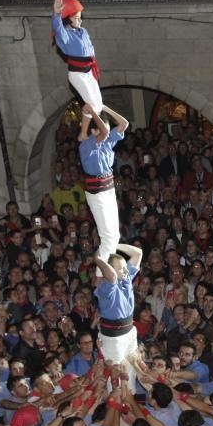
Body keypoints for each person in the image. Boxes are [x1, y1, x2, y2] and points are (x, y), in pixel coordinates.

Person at [79, 103, 129, 265]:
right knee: (107, 236)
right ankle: (101, 270)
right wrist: (93, 112)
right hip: (97, 193)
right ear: (94, 131)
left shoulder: (107, 143)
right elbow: (106, 132)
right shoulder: (86, 145)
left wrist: (104, 107)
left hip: (109, 189)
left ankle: (107, 266)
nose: (106, 135)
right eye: (101, 130)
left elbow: (124, 124)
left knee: (115, 234)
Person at [94, 244, 144, 386]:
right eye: (121, 267)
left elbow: (138, 253)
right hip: (114, 337)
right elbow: (112, 276)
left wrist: (113, 243)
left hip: (129, 331)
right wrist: (98, 260)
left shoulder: (126, 278)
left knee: (131, 374)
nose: (125, 270)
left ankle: (130, 403)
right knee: (116, 379)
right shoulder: (105, 287)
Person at [51, 0, 104, 112]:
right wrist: (56, 14)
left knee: (99, 104)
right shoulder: (65, 36)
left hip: (89, 71)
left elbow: (90, 48)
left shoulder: (83, 31)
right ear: (68, 20)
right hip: (77, 74)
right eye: (77, 18)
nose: (80, 20)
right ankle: (86, 130)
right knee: (93, 105)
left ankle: (108, 125)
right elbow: (58, 29)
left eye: (80, 18)